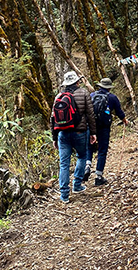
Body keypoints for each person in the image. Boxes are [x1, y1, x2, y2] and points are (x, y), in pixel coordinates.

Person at [51, 71, 97, 204]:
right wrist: (93, 133)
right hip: (79, 132)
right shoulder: (83, 93)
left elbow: (53, 118)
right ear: (77, 82)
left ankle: (64, 195)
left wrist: (54, 137)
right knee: (82, 156)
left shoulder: (59, 96)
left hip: (63, 133)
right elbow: (90, 114)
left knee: (64, 164)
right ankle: (77, 185)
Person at [84, 77, 128, 186]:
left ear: (100, 86)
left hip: (91, 125)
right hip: (104, 127)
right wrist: (124, 121)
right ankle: (98, 176)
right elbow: (119, 112)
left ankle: (87, 166)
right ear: (109, 88)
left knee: (89, 146)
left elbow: (86, 110)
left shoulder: (92, 95)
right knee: (102, 150)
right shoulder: (112, 98)